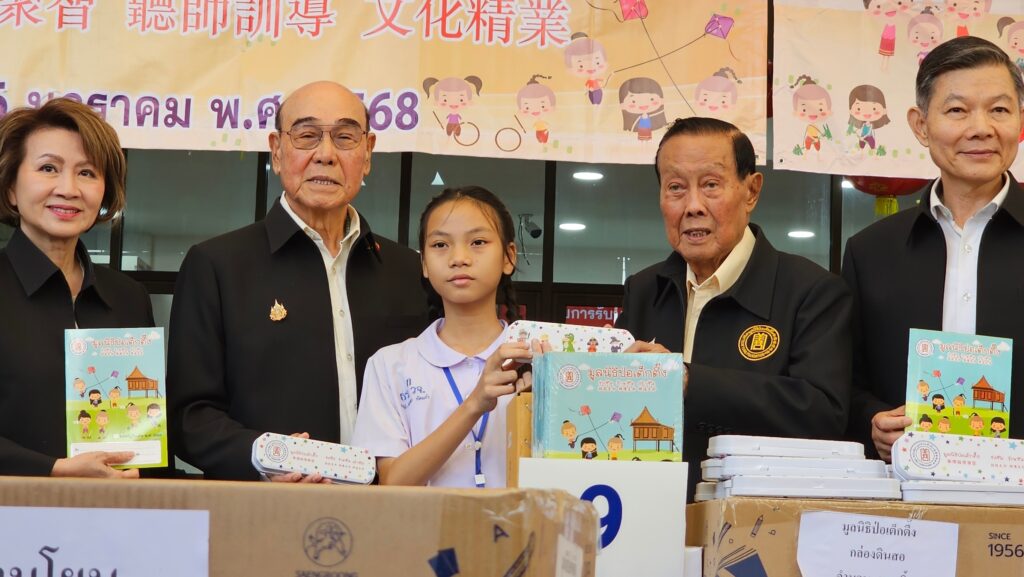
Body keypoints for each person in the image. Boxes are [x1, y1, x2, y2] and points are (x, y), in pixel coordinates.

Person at [168, 81, 429, 481]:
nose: (325, 154)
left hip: (390, 505)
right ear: (277, 150)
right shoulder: (217, 266)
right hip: (266, 506)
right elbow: (189, 417)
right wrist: (269, 457)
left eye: (345, 137)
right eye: (307, 136)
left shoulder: (409, 270)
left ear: (368, 153)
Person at [615, 117, 852, 500]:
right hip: (647, 508)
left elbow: (824, 414)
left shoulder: (810, 291)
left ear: (751, 191)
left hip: (756, 516)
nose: (693, 206)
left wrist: (690, 382)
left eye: (711, 185)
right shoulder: (644, 289)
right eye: (675, 188)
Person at [843, 36, 1024, 461]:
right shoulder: (870, 252)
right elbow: (844, 381)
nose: (981, 128)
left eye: (999, 110)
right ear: (920, 125)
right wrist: (872, 420)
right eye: (957, 110)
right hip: (905, 487)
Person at [0, 98, 153, 478]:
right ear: (11, 188)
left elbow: (150, 421)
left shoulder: (128, 297)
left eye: (86, 173)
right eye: (48, 168)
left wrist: (144, 465)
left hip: (115, 509)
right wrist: (55, 469)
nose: (68, 189)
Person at [352, 186, 534, 487]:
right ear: (424, 263)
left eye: (478, 242)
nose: (459, 258)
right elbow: (392, 482)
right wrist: (474, 404)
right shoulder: (390, 365)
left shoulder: (540, 359)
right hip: (426, 521)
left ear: (508, 256)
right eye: (440, 245)